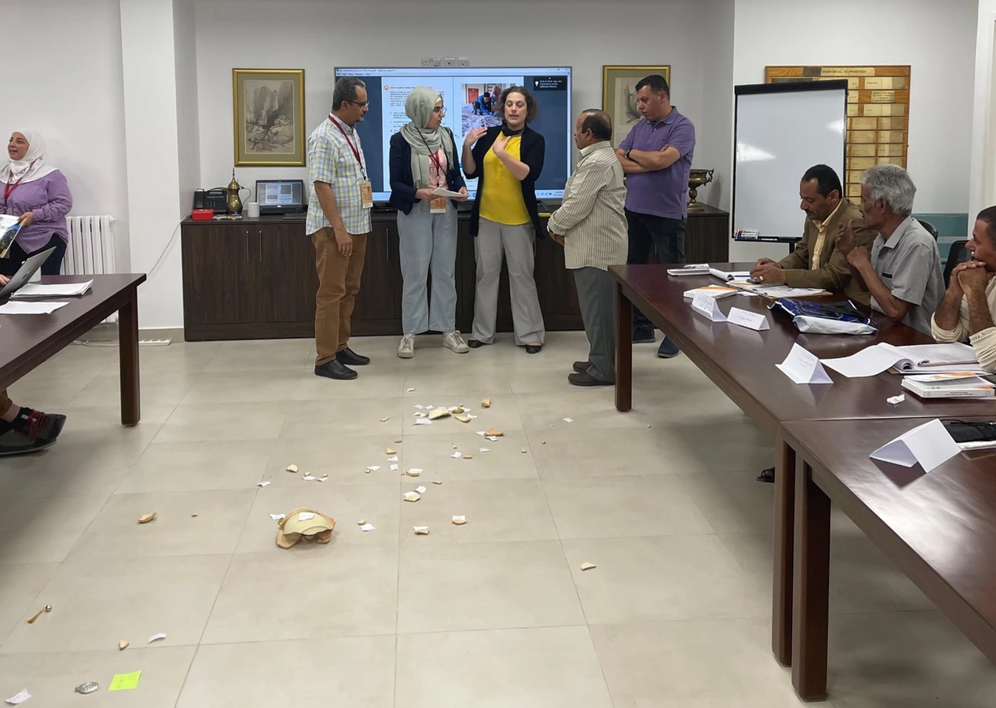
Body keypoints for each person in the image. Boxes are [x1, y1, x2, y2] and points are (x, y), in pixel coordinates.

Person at [462, 85, 546, 354]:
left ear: (527, 110)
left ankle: (530, 334)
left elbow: (527, 175)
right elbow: (471, 170)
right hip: (487, 218)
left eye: (519, 104)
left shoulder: (535, 140)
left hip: (519, 220)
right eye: (509, 104)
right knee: (485, 276)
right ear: (502, 107)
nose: (513, 109)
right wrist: (467, 145)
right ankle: (482, 333)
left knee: (522, 277)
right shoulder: (490, 136)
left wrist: (502, 154)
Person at [617, 75, 695, 358]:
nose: (640, 106)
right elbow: (618, 157)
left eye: (645, 99)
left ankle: (676, 334)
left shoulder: (682, 127)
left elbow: (663, 160)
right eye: (638, 100)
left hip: (667, 214)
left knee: (672, 277)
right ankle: (641, 327)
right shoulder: (640, 126)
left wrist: (634, 153)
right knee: (635, 273)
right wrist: (649, 163)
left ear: (663, 97)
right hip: (635, 210)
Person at [548, 110, 628, 386]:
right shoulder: (602, 158)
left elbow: (576, 205)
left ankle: (603, 369)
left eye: (578, 129)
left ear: (589, 134)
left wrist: (553, 226)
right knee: (597, 312)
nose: (574, 133)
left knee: (599, 314)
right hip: (595, 246)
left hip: (597, 250)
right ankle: (598, 359)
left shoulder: (597, 163)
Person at [389, 87, 470, 358]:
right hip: (416, 211)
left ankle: (447, 329)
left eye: (441, 108)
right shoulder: (400, 140)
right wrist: (417, 192)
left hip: (444, 209)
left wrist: (460, 189)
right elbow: (395, 184)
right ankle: (410, 333)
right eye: (436, 109)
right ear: (420, 110)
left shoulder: (446, 136)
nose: (441, 114)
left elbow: (454, 173)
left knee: (445, 270)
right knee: (415, 272)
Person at [306, 77, 373, 381]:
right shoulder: (324, 137)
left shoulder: (349, 132)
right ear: (344, 104)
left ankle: (340, 345)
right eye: (361, 104)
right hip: (336, 231)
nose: (366, 109)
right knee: (331, 293)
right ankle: (324, 359)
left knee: (350, 290)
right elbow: (321, 185)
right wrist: (340, 229)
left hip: (357, 227)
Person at [835, 164, 943, 335]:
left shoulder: (917, 243)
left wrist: (864, 265)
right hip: (883, 327)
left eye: (864, 200)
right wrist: (849, 254)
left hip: (915, 339)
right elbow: (868, 287)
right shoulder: (882, 238)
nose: (859, 207)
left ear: (882, 204)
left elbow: (896, 311)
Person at [750, 164, 876, 305]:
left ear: (833, 196)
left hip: (849, 304)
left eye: (810, 200)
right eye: (802, 199)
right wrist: (779, 267)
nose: (803, 206)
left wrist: (783, 276)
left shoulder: (855, 223)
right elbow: (801, 254)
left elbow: (835, 276)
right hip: (818, 298)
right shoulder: (815, 215)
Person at [931, 206, 996, 372]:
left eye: (977, 240)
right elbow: (945, 336)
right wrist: (954, 289)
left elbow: (991, 361)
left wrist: (975, 291)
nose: (968, 245)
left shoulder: (980, 282)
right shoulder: (986, 276)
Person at [1, 131, 72, 277]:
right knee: (6, 284)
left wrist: (35, 216)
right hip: (9, 237)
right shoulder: (3, 173)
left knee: (48, 285)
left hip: (44, 235)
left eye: (20, 141)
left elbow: (63, 203)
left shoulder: (51, 175)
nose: (12, 144)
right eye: (11, 140)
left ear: (33, 148)